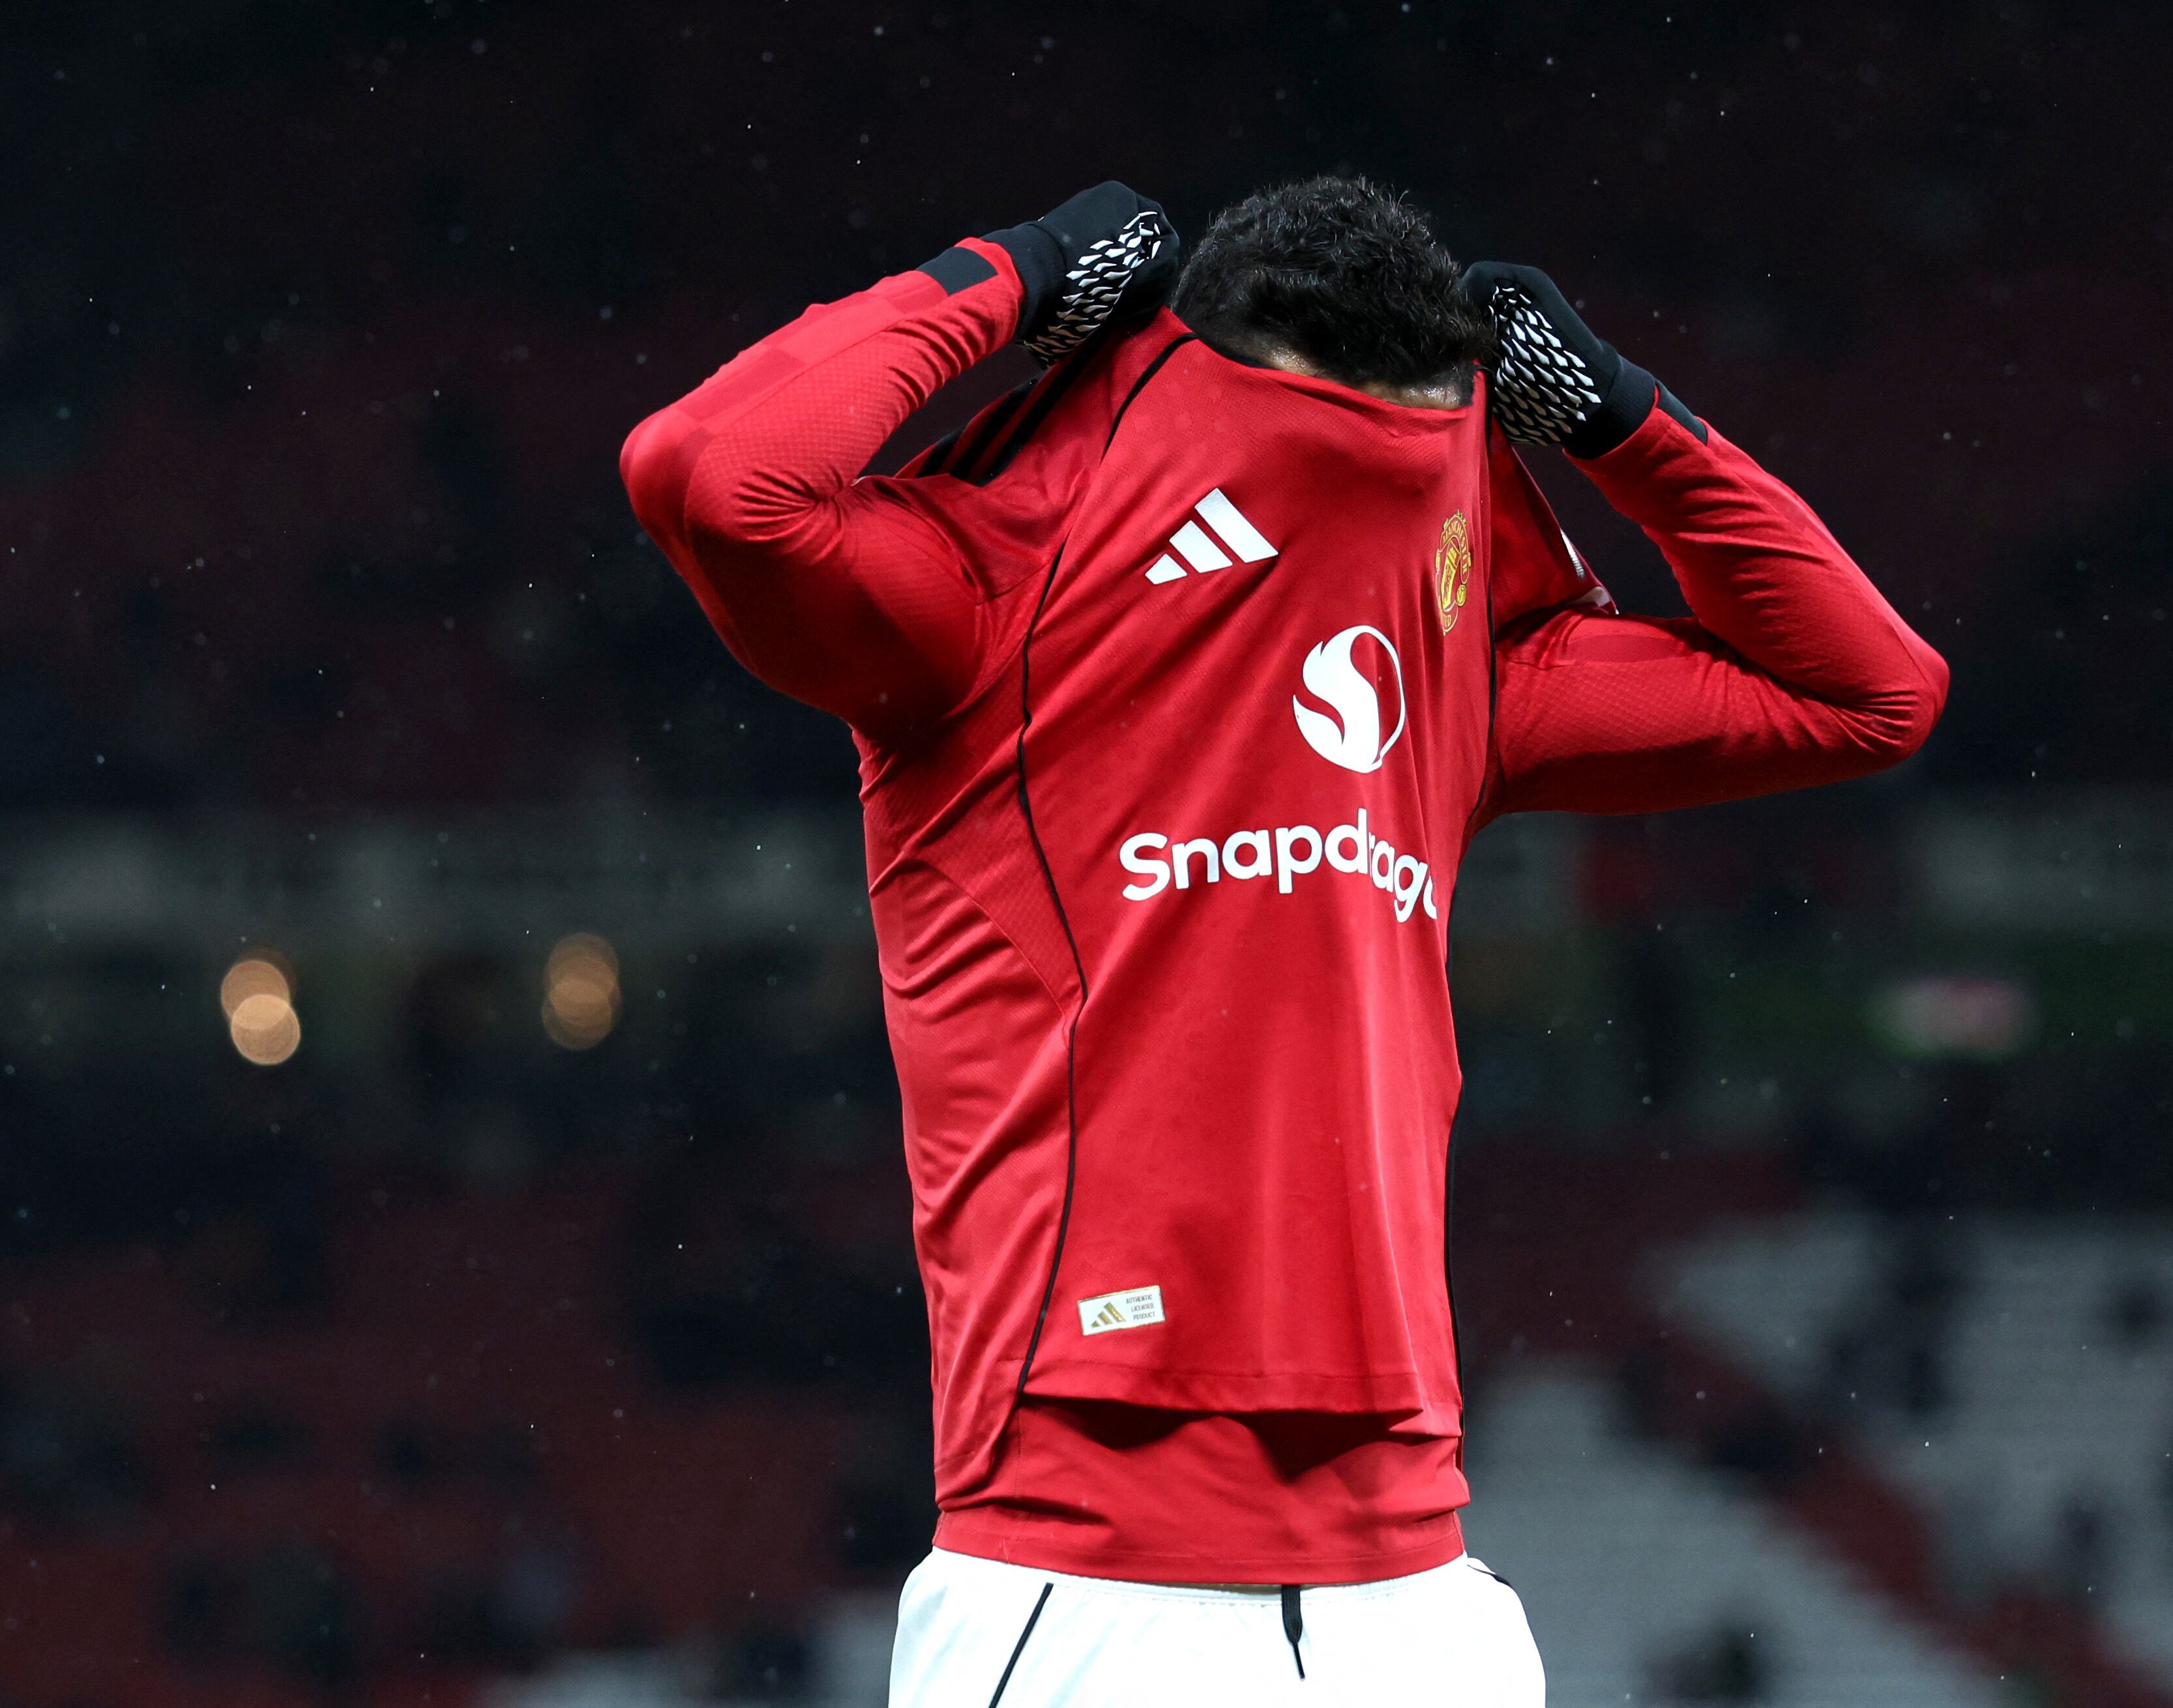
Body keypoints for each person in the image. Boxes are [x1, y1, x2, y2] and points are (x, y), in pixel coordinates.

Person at [621, 177, 1947, 1707]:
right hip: (1088, 1580)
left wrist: (1618, 419)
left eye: (1414, 454)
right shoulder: (995, 589)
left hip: (1419, 1591)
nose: (1374, 503)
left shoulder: (1461, 664)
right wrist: (1013, 275)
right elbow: (709, 472)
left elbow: (1872, 691)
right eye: (1319, 446)